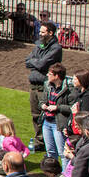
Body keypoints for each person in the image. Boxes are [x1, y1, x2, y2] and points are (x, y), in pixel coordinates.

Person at [24, 20, 62, 152]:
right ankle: (39, 140)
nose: (39, 34)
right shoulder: (39, 44)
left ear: (50, 33)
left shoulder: (56, 48)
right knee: (35, 114)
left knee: (43, 113)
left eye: (42, 32)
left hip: (44, 85)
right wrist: (36, 61)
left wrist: (36, 62)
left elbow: (41, 64)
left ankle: (46, 140)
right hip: (33, 84)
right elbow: (27, 61)